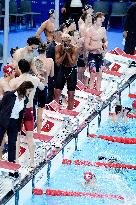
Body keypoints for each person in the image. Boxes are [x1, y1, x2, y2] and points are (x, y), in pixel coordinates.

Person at [10, 59, 45, 167]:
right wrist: (39, 80)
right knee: (30, 137)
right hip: (29, 110)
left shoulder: (14, 81)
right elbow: (42, 88)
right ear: (29, 68)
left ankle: (16, 161)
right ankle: (32, 162)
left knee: (17, 137)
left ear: (19, 69)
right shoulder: (34, 79)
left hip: (18, 111)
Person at [0, 81, 34, 164]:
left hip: (14, 123)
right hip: (4, 120)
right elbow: (1, 106)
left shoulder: (25, 99)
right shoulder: (9, 95)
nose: (29, 93)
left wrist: (19, 127)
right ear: (25, 88)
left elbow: (21, 113)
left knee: (12, 145)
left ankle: (11, 164)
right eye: (29, 91)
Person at [55, 33, 79, 110]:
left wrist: (68, 53)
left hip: (72, 71)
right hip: (62, 69)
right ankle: (56, 110)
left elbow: (72, 63)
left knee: (71, 94)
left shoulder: (75, 49)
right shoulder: (58, 48)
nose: (64, 43)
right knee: (57, 93)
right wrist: (64, 53)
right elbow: (57, 62)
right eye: (62, 41)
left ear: (69, 41)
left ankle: (70, 111)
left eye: (66, 41)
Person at [34, 44, 54, 132]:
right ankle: (38, 132)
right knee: (40, 110)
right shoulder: (50, 60)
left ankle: (29, 132)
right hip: (44, 86)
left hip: (35, 87)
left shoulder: (34, 60)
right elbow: (51, 75)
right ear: (46, 50)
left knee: (32, 109)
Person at [85, 14, 108, 92]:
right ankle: (91, 92)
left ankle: (98, 91)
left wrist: (104, 47)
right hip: (92, 55)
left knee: (100, 74)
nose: (102, 21)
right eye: (100, 20)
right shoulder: (89, 31)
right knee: (93, 74)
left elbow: (105, 41)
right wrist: (97, 47)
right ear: (95, 21)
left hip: (99, 55)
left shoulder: (103, 30)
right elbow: (86, 46)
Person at [0, 65, 16, 160]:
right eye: (13, 71)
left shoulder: (5, 80)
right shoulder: (4, 83)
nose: (14, 73)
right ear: (8, 73)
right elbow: (9, 97)